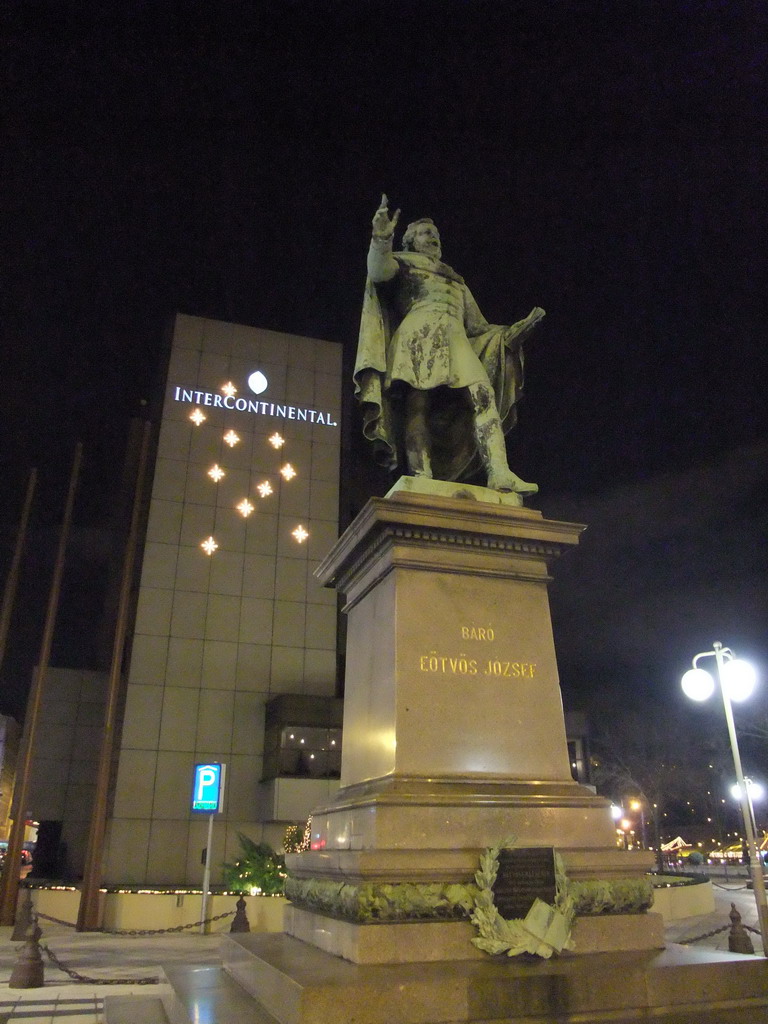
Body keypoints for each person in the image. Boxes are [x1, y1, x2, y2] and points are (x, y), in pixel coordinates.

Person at [354, 195, 544, 493]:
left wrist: (512, 333)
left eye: (437, 235)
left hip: (456, 340)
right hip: (419, 334)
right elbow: (378, 271)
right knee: (419, 404)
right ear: (411, 241)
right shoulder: (403, 263)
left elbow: (479, 327)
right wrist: (381, 237)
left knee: (484, 396)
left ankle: (499, 472)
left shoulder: (457, 280)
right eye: (427, 234)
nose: (434, 239)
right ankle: (421, 473)